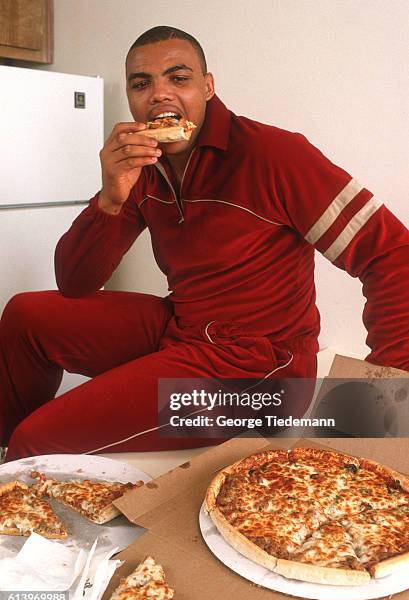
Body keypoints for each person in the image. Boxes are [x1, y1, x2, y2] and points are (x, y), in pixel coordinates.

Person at [1, 26, 408, 461]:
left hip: (263, 379)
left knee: (39, 439)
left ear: (208, 87)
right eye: (142, 84)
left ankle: (22, 457)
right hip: (183, 328)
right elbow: (76, 283)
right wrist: (110, 199)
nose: (159, 94)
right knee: (25, 315)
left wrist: (386, 393)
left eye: (178, 79)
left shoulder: (273, 155)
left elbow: (392, 254)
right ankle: (11, 460)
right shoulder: (145, 169)